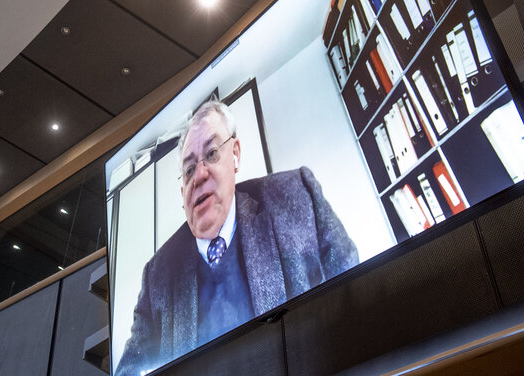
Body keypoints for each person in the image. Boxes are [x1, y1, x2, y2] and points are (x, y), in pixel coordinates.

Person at [115, 100, 359, 376]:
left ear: (236, 156)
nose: (200, 175)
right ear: (182, 189)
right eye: (189, 169)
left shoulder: (295, 197)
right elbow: (129, 370)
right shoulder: (158, 275)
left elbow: (356, 302)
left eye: (212, 153)